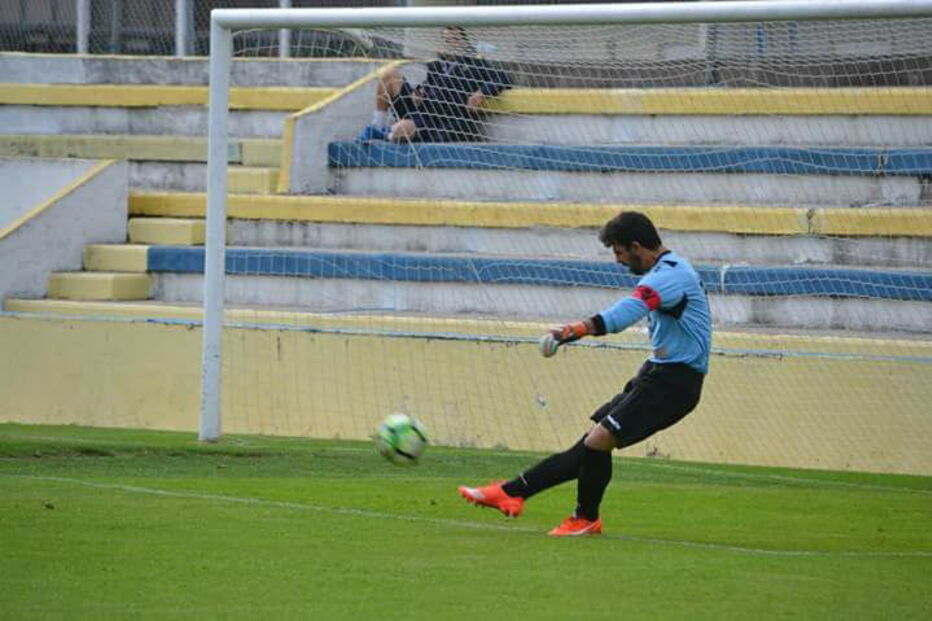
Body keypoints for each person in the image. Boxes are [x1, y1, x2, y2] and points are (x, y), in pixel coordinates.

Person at [458, 211, 712, 536]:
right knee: (593, 441)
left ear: (636, 246)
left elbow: (625, 313)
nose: (619, 261)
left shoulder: (669, 277)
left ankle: (559, 508)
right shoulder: (670, 269)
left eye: (619, 252)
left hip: (676, 381)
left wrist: (574, 330)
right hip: (659, 372)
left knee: (598, 441)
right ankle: (525, 497)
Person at [357, 26, 512, 143]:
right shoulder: (437, 65)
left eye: (454, 40)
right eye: (447, 40)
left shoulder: (474, 63)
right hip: (421, 110)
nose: (450, 44)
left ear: (464, 42)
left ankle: (384, 134)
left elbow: (503, 77)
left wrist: (481, 93)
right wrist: (418, 92)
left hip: (440, 122)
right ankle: (378, 126)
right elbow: (427, 86)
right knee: (388, 74)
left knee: (401, 128)